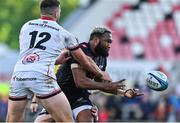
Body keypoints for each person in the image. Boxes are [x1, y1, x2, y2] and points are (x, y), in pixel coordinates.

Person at [6, 0, 109, 122]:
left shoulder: (26, 26)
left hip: (19, 74)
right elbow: (85, 62)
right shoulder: (64, 33)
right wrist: (100, 74)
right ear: (56, 12)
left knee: (13, 119)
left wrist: (56, 60)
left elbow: (35, 56)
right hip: (42, 77)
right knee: (66, 119)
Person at [34, 27, 143, 122]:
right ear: (96, 40)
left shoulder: (102, 58)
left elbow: (101, 85)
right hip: (60, 95)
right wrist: (107, 85)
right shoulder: (80, 51)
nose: (109, 45)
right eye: (107, 41)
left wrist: (124, 93)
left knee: (88, 117)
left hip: (79, 98)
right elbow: (80, 82)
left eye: (111, 42)